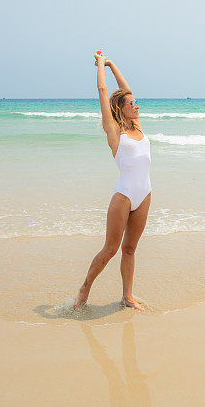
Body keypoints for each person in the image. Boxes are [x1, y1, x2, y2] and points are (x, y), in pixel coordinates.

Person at [73, 50, 151, 311]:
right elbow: (104, 92)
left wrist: (113, 64)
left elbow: (125, 89)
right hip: (124, 196)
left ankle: (127, 297)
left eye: (135, 102)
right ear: (121, 108)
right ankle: (85, 289)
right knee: (110, 250)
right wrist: (100, 66)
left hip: (145, 194)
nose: (136, 105)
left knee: (130, 250)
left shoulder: (137, 124)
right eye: (132, 103)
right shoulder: (115, 132)